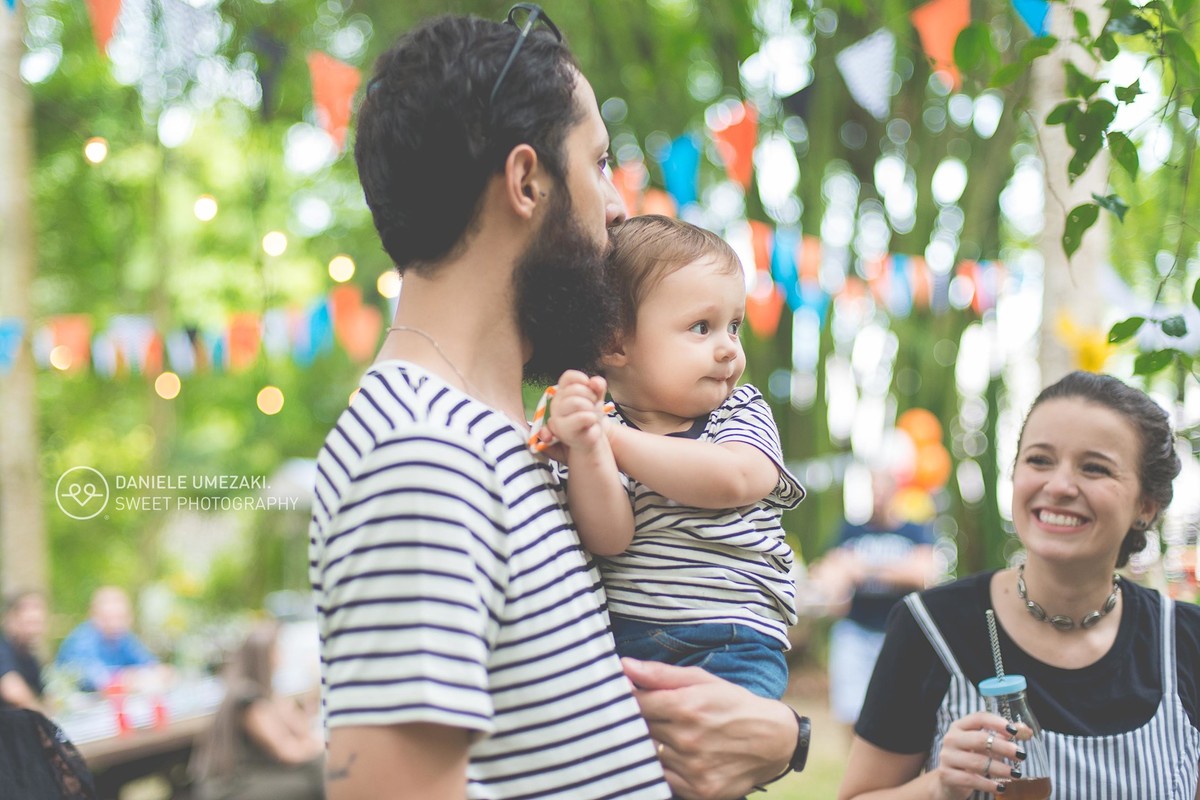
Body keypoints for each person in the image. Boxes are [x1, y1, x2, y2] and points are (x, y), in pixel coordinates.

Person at [308, 7, 805, 800]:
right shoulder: (419, 458)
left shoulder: (513, 437)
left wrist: (783, 737)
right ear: (527, 180)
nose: (617, 206)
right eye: (600, 163)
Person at [839, 371, 1200, 799]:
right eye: (1040, 460)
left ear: (1147, 505)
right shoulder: (930, 628)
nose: (1059, 486)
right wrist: (939, 787)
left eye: (1094, 468)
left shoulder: (1184, 640)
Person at [540, 214, 804, 701]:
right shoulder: (601, 427)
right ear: (615, 343)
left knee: (710, 746)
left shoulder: (740, 411)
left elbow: (734, 478)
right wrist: (588, 447)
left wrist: (612, 442)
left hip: (734, 639)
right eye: (702, 327)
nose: (729, 349)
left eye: (735, 326)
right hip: (627, 638)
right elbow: (610, 537)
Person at [810, 468, 936, 726]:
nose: (877, 499)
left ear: (895, 493)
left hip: (899, 632)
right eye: (873, 493)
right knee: (849, 708)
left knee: (904, 708)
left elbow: (921, 573)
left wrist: (864, 569)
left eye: (883, 493)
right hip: (855, 630)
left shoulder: (914, 531)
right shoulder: (849, 531)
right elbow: (828, 572)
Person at [189, 621, 324, 800]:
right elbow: (287, 752)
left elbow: (302, 732)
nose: (282, 654)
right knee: (316, 778)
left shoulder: (267, 694)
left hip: (258, 774)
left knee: (319, 769)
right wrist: (324, 747)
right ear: (265, 655)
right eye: (278, 649)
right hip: (234, 786)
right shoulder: (247, 697)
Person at [54, 586, 159, 692]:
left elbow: (153, 667)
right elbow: (98, 680)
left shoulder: (125, 638)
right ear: (94, 616)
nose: (115, 624)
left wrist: (134, 676)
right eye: (108, 618)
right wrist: (130, 677)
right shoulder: (82, 641)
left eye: (120, 617)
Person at [0, 590, 48, 711]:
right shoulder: (3, 649)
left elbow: (44, 696)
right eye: (29, 623)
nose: (34, 631)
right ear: (11, 620)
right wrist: (42, 714)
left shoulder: (30, 658)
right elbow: (12, 690)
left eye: (38, 624)